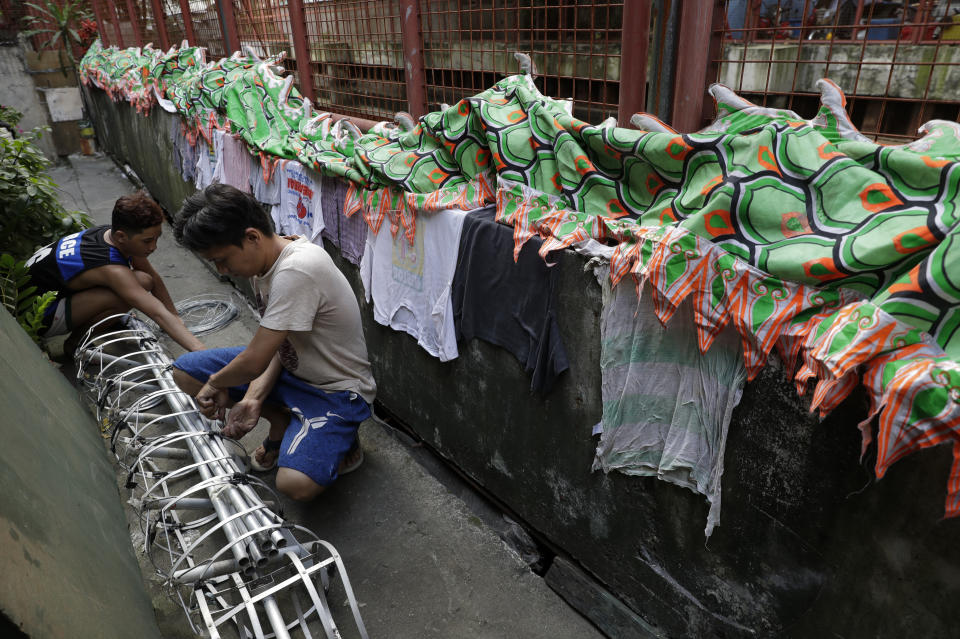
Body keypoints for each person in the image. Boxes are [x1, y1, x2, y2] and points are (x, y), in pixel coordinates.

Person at [170, 184, 376, 501]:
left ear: (252, 237)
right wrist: (253, 398)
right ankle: (281, 423)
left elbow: (254, 361)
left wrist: (216, 382)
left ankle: (344, 442)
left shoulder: (296, 269)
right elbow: (279, 347)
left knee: (295, 484)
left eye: (222, 260)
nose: (222, 271)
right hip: (293, 369)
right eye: (214, 263)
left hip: (336, 391)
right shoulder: (266, 262)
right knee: (185, 372)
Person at [26, 191, 206, 355]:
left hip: (46, 296)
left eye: (157, 238)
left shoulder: (109, 234)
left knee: (144, 279)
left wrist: (174, 316)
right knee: (130, 291)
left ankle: (95, 326)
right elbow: (155, 310)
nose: (154, 247)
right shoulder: (111, 268)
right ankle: (75, 345)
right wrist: (200, 350)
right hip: (38, 315)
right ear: (121, 236)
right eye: (147, 241)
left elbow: (152, 276)